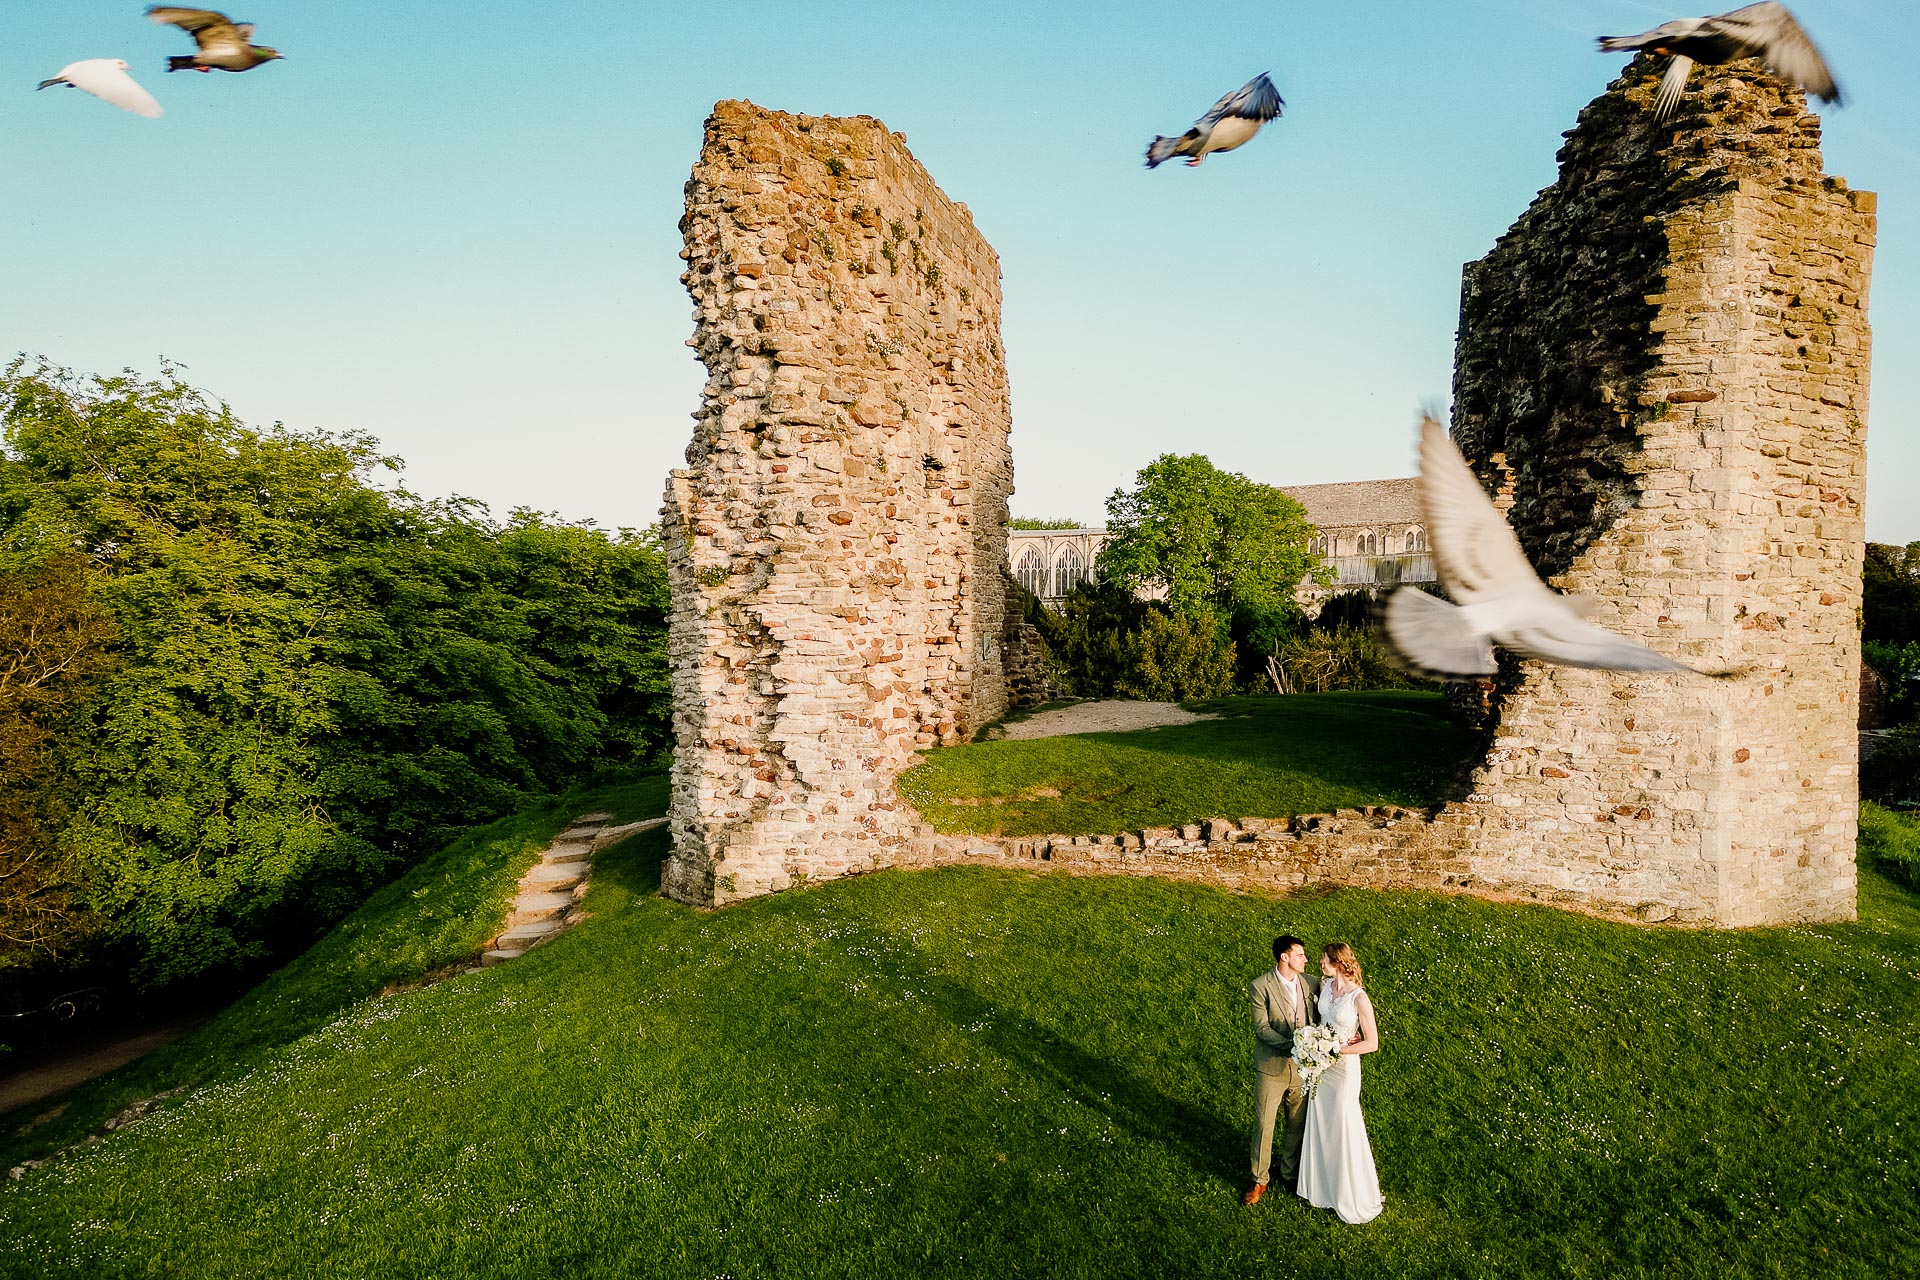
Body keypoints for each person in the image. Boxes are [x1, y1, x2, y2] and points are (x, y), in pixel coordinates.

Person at [1297, 941, 1383, 1224]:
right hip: (1321, 1067)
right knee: (1321, 1121)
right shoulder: (1324, 987)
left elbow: (1371, 1043)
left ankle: (1349, 1193)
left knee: (1343, 1123)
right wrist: (1315, 1047)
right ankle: (1321, 1187)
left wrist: (1337, 1050)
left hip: (1343, 1069)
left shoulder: (1359, 998)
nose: (1320, 963)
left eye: (1324, 959)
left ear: (1337, 962)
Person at [1244, 934, 1319, 1205]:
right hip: (1271, 1067)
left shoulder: (1311, 983)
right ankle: (1258, 1179)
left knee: (1296, 1124)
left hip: (1301, 1069)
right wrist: (1293, 1045)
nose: (1305, 959)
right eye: (1300, 955)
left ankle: (1289, 1173)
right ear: (1284, 957)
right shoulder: (1260, 986)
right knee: (1264, 1124)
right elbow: (1261, 1028)